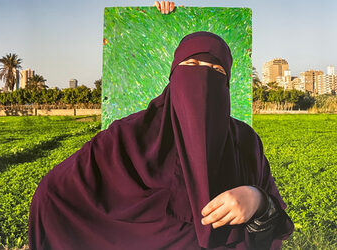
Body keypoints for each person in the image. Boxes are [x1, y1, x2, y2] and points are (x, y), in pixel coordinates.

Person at [29, 30, 293, 250]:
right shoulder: (128, 137)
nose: (202, 78)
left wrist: (256, 200)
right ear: (173, 78)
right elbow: (53, 194)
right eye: (191, 65)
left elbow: (274, 219)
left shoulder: (244, 142)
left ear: (227, 85)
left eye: (215, 69)